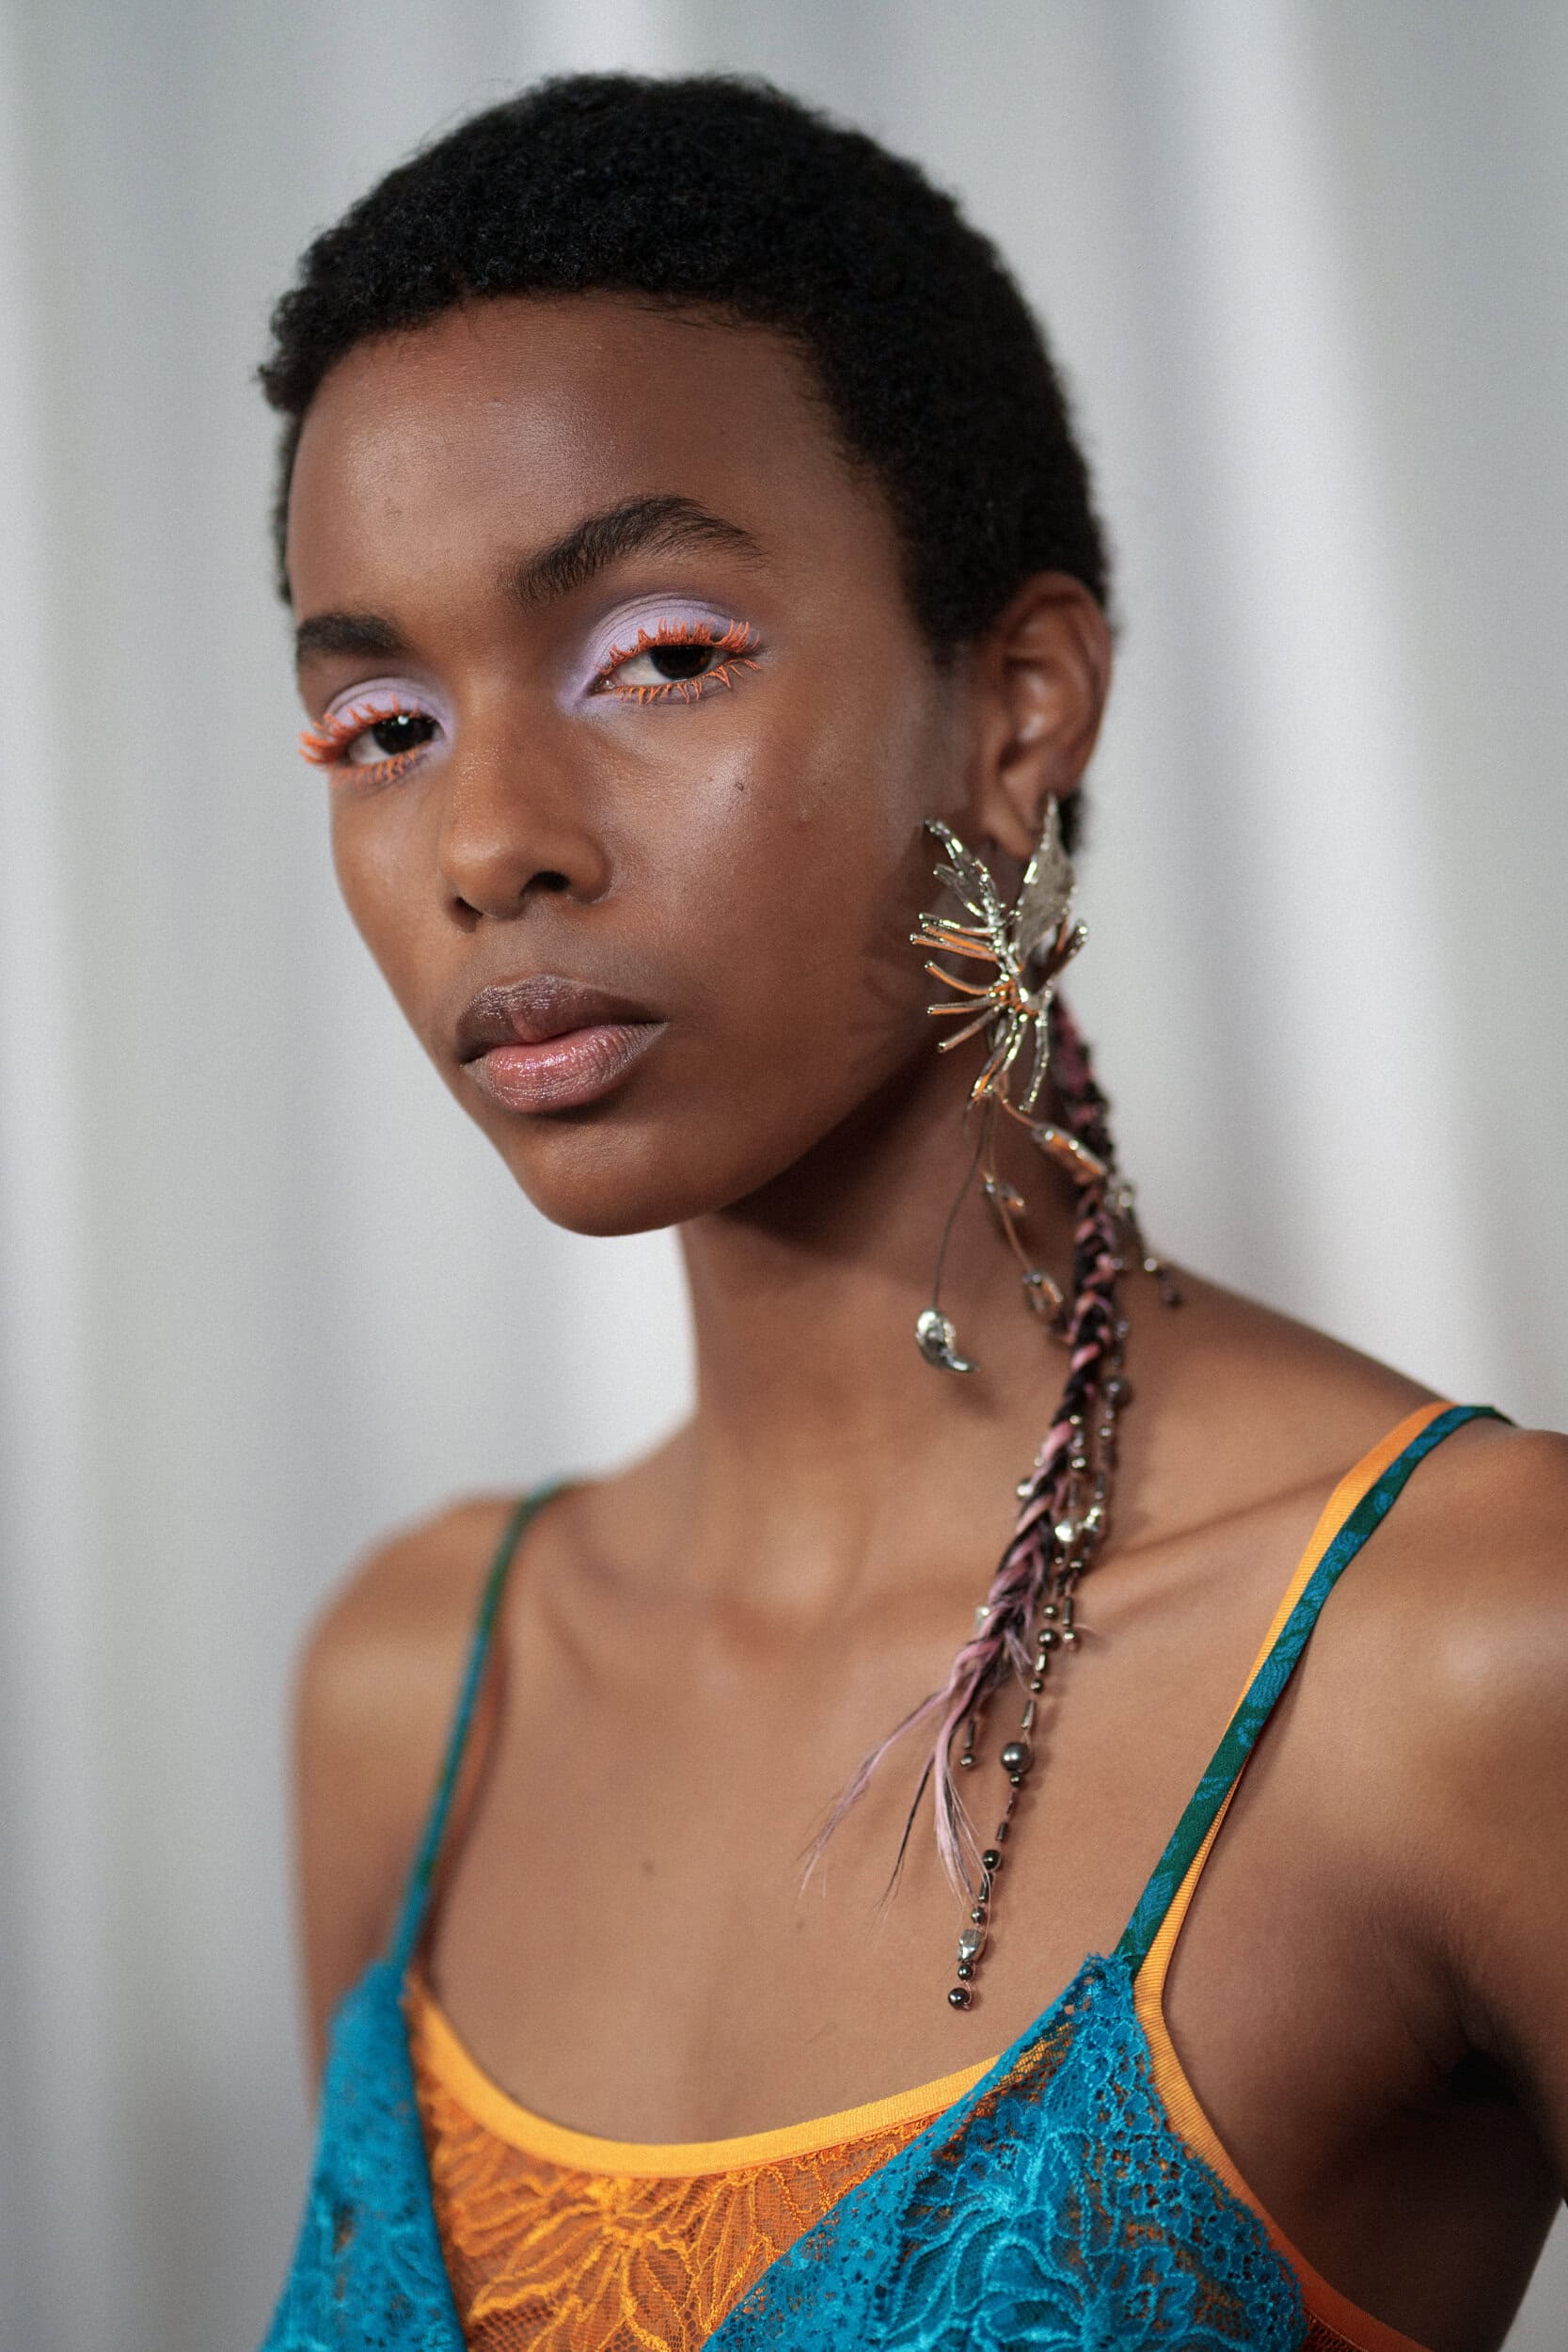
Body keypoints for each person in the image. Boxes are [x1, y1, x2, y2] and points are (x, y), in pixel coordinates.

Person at [256, 72, 1567, 2352]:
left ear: (1018, 703)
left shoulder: (1466, 1654)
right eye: (382, 723)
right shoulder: (413, 1692)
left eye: (662, 657)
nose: (488, 841)